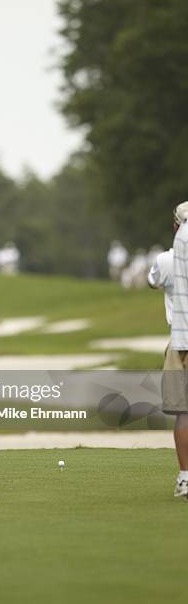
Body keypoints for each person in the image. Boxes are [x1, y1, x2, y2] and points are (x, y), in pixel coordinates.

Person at [157, 201, 188, 499]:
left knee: (184, 413)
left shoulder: (166, 260)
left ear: (175, 226)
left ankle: (185, 478)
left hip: (180, 341)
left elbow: (153, 281)